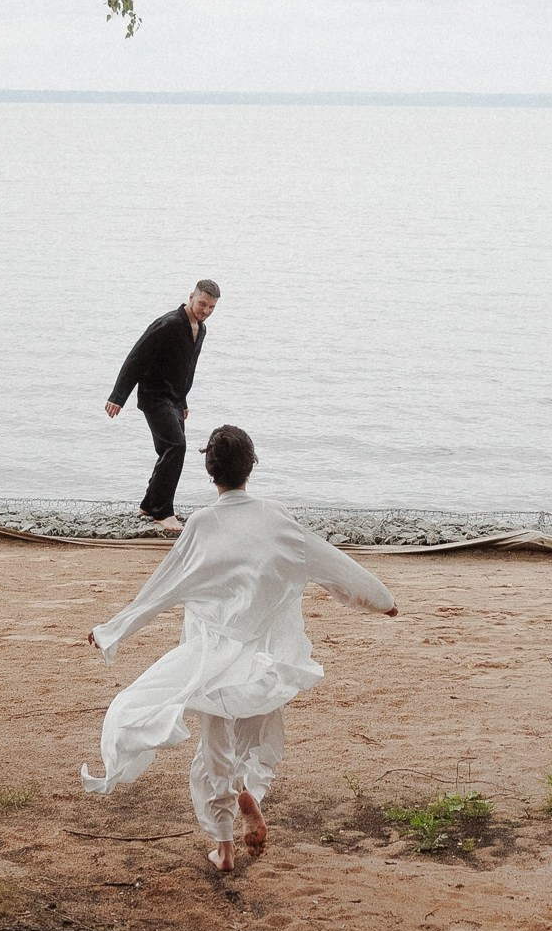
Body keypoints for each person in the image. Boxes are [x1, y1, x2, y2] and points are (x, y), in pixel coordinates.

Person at [81, 422, 397, 873]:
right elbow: (334, 565)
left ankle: (225, 847)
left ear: (211, 473)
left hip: (209, 658)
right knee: (263, 741)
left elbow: (161, 588)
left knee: (213, 750)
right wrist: (381, 601)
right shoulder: (278, 520)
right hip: (266, 657)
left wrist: (112, 628)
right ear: (251, 466)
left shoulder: (202, 526)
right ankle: (250, 787)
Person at [105, 278, 219, 532]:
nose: (206, 311)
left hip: (174, 399)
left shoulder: (200, 329)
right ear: (191, 296)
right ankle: (163, 512)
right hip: (154, 396)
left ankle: (149, 504)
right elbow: (136, 357)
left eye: (211, 308)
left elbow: (184, 369)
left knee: (168, 451)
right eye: (202, 304)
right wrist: (117, 396)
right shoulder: (167, 324)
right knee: (175, 447)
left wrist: (183, 400)